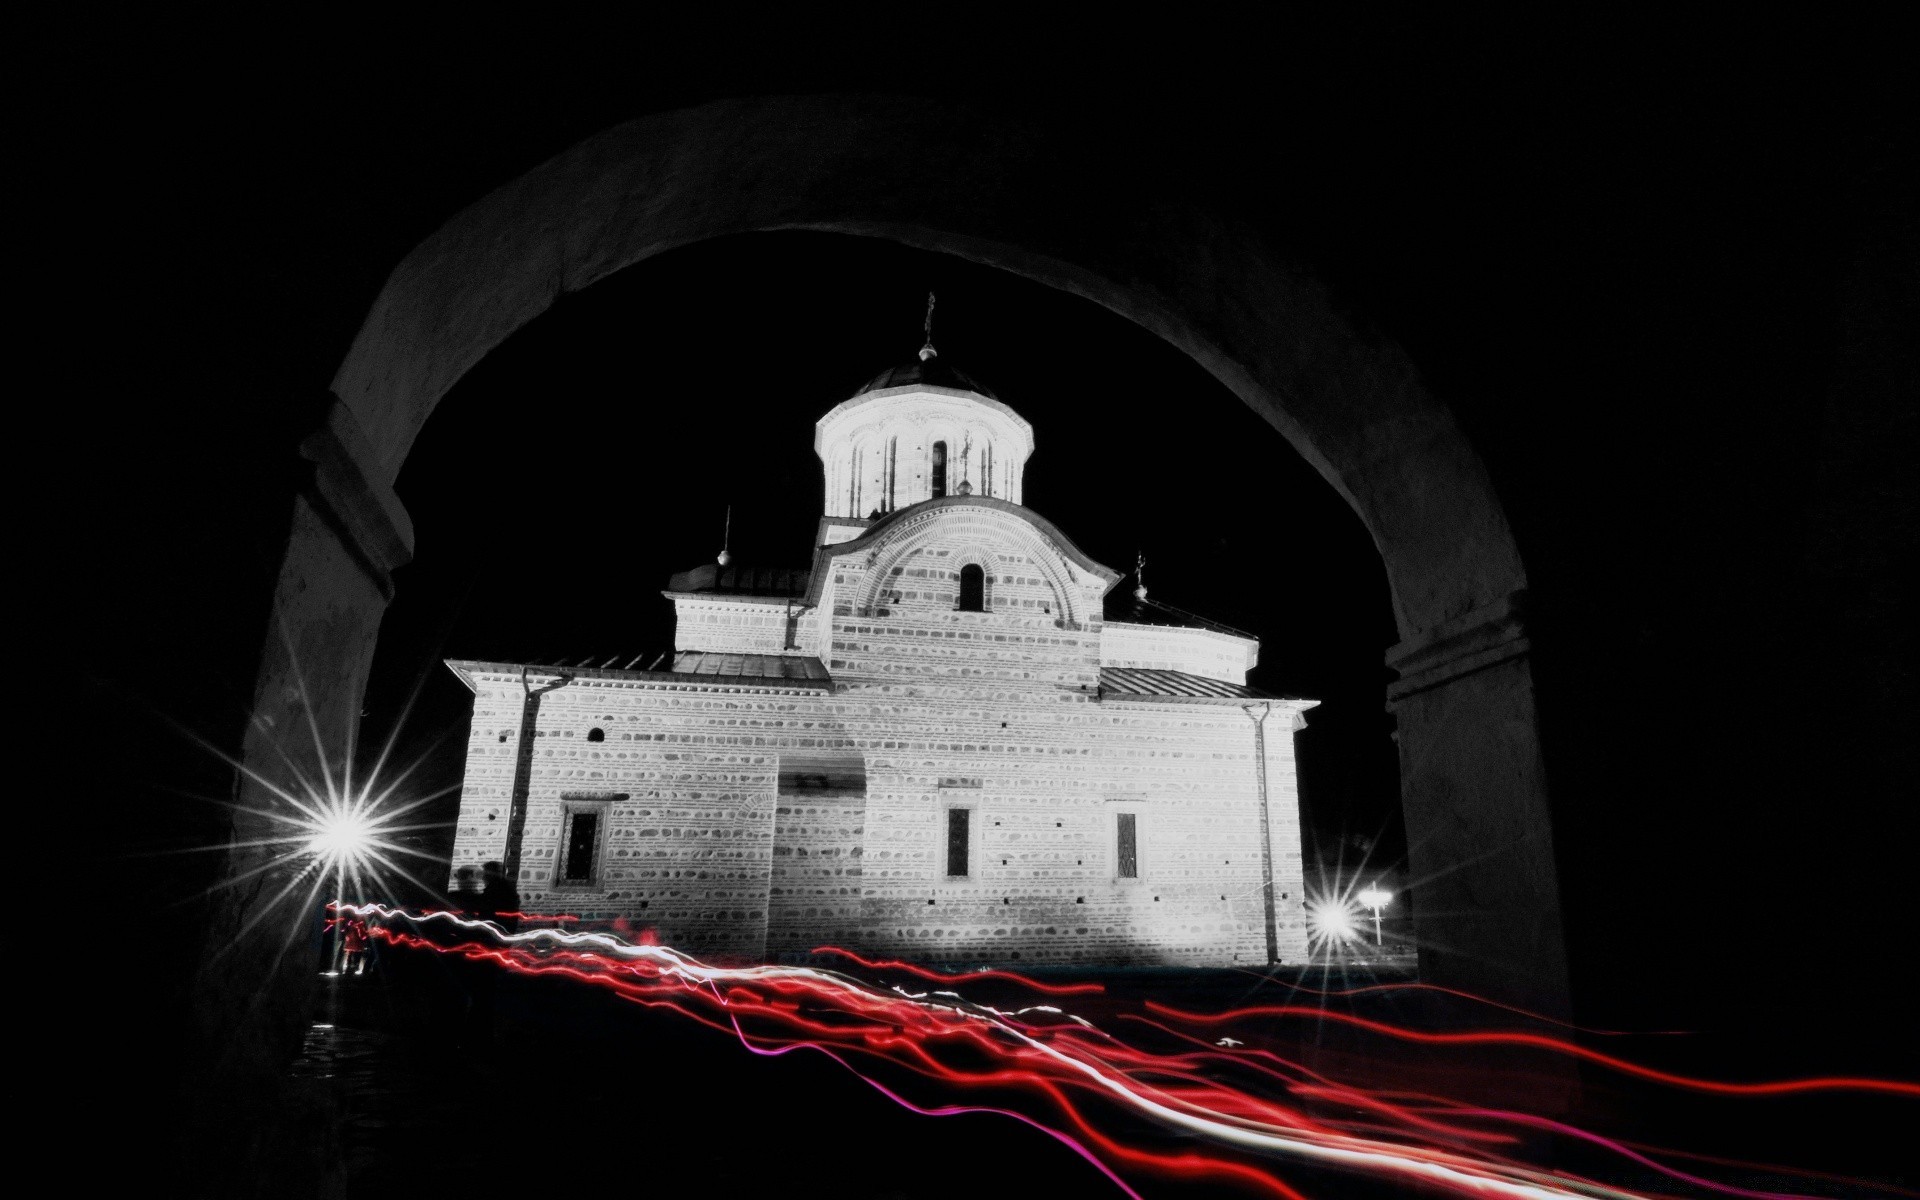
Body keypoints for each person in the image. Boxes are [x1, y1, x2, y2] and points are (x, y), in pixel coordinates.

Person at [478, 860, 521, 934]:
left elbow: (487, 910)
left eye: (484, 873)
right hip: (504, 930)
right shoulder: (506, 887)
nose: (482, 878)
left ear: (489, 875)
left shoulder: (494, 890)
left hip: (496, 930)